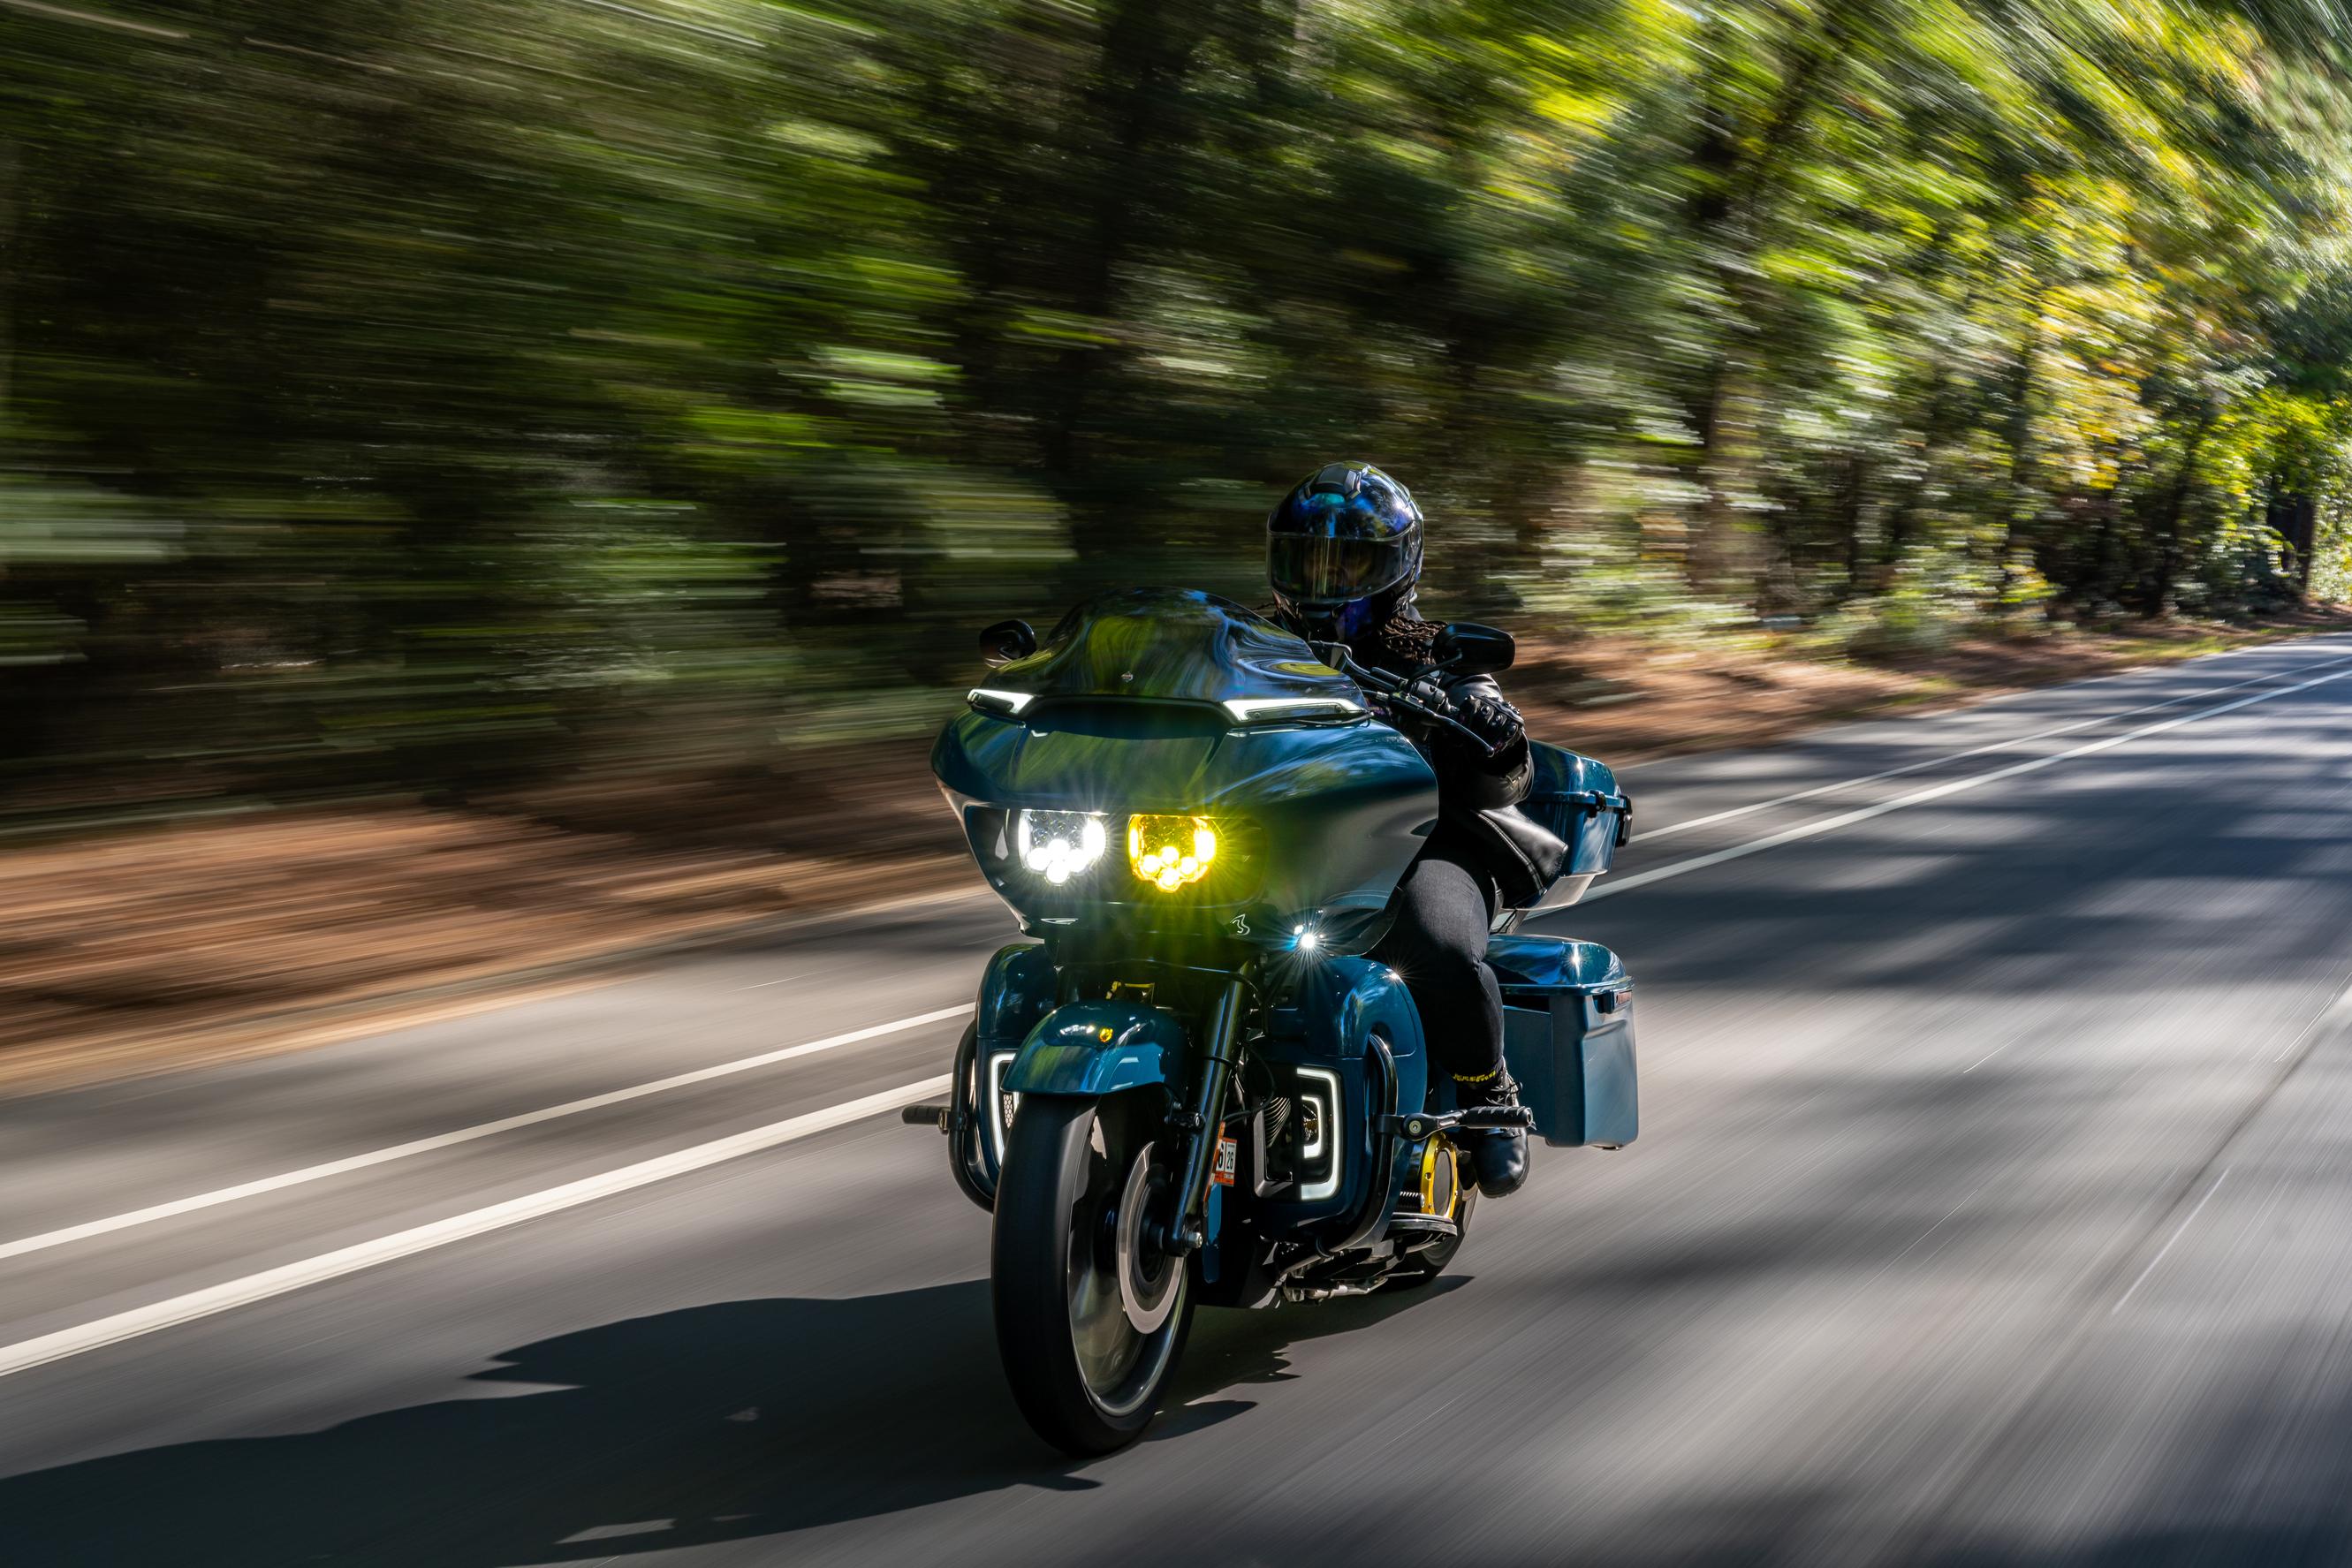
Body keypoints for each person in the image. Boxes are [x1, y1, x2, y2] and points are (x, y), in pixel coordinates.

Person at [1264, 460, 1537, 1199]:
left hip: (1416, 846)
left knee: (1437, 939)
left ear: (1396, 569)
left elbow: (1509, 777)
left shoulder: (1435, 653)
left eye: (1348, 563)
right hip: (1275, 844)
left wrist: (1494, 731)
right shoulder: (1250, 646)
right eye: (1307, 561)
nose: (1325, 581)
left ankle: (1489, 1092)